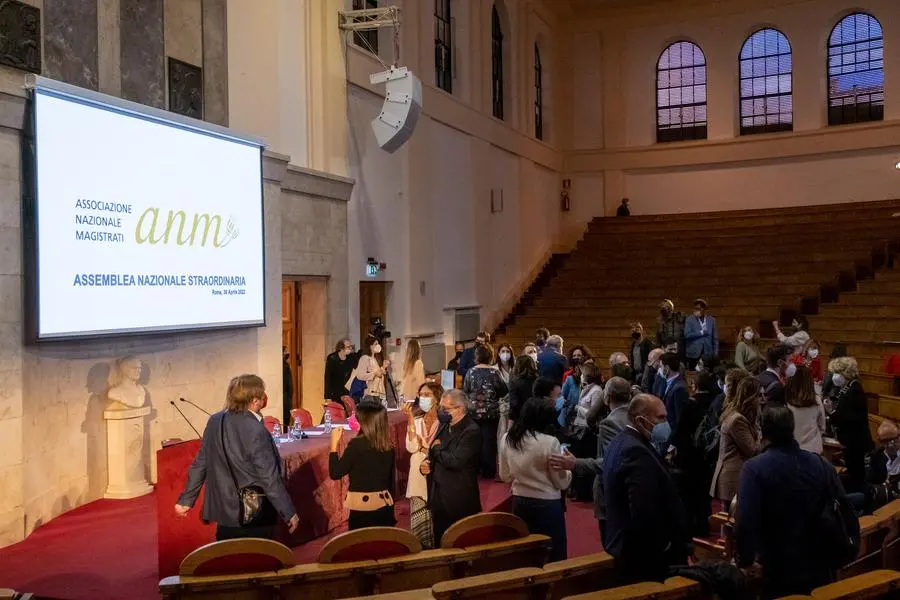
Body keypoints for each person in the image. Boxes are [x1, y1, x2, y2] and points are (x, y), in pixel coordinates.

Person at [736, 405, 851, 597]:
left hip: (776, 569)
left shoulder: (754, 469)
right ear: (792, 428)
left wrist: (746, 560)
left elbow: (746, 521)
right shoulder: (821, 463)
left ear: (763, 432)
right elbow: (841, 508)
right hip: (819, 564)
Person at [176, 374, 300, 540]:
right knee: (258, 562)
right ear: (256, 400)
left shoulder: (215, 420)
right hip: (254, 512)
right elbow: (268, 477)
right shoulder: (255, 429)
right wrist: (288, 511)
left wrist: (186, 500)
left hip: (224, 511)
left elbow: (200, 463)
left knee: (228, 560)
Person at [603, 394, 690, 584]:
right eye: (660, 418)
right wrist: (665, 545)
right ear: (641, 420)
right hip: (643, 556)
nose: (665, 423)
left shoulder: (621, 441)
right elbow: (643, 511)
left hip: (629, 547)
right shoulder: (635, 451)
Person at [550, 376, 632, 542]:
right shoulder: (636, 415)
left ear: (606, 398)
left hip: (613, 492)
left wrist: (575, 463)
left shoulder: (609, 423)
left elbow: (610, 463)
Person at [500, 397, 572, 561]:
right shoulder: (550, 442)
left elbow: (505, 476)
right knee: (553, 554)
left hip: (520, 501)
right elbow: (560, 481)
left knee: (526, 554)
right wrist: (569, 471)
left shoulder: (507, 438)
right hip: (547, 504)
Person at [420, 389, 482, 545]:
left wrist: (436, 449)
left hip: (458, 498)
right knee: (440, 542)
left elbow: (455, 461)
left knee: (460, 543)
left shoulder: (471, 431)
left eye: (445, 409)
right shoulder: (444, 425)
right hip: (439, 496)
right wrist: (426, 465)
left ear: (459, 409)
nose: (441, 412)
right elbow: (434, 454)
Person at [329, 402, 396, 529]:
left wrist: (333, 446)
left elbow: (335, 472)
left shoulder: (356, 445)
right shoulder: (388, 445)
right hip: (384, 506)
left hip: (363, 510)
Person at [826, 356, 874, 493]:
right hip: (852, 440)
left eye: (837, 373)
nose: (834, 376)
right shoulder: (849, 387)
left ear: (844, 373)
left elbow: (849, 417)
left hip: (855, 441)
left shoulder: (854, 390)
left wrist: (831, 413)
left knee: (856, 475)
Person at [710, 377, 761, 504]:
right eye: (759, 395)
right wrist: (761, 435)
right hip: (732, 477)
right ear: (750, 397)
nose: (761, 399)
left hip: (735, 474)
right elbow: (753, 450)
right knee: (730, 521)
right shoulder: (737, 420)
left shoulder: (740, 415)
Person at [462, 343, 508, 479]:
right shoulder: (495, 372)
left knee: (474, 440)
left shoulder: (471, 372)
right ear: (490, 356)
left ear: (476, 357)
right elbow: (503, 390)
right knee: (489, 441)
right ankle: (488, 471)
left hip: (473, 411)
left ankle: (475, 468)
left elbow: (465, 390)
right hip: (491, 412)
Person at [404, 381, 441, 548]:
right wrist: (411, 420)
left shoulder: (443, 422)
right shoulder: (416, 421)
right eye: (421, 395)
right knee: (420, 528)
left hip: (437, 476)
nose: (423, 398)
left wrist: (425, 446)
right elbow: (411, 447)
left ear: (437, 398)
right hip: (418, 478)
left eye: (428, 395)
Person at [786, 365, 826, 454]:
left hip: (790, 450)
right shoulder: (816, 400)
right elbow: (822, 426)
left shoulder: (785, 400)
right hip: (812, 450)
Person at [356, 334, 391, 407]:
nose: (378, 346)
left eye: (378, 343)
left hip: (378, 393)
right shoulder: (365, 358)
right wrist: (374, 374)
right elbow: (360, 375)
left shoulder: (374, 359)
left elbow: (378, 373)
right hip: (370, 393)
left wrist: (383, 367)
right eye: (376, 344)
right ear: (370, 346)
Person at [683, 299, 718, 371]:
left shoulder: (711, 320)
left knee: (708, 375)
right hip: (693, 354)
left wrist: (715, 353)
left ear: (704, 309)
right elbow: (687, 335)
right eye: (695, 308)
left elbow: (715, 338)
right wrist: (701, 332)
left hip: (708, 353)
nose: (696, 310)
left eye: (699, 308)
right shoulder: (689, 319)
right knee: (693, 374)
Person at [325, 339, 357, 404]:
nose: (350, 349)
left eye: (351, 347)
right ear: (341, 348)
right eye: (348, 347)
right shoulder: (332, 358)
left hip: (347, 392)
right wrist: (328, 397)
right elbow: (328, 378)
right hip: (335, 393)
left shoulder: (351, 357)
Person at [508, 355, 538, 422]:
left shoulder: (514, 382)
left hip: (520, 418)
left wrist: (510, 422)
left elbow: (514, 404)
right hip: (537, 417)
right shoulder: (539, 381)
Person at [283, 346, 294, 425]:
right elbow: (289, 384)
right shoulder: (285, 366)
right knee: (286, 422)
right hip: (286, 397)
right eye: (285, 351)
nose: (288, 353)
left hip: (284, 396)